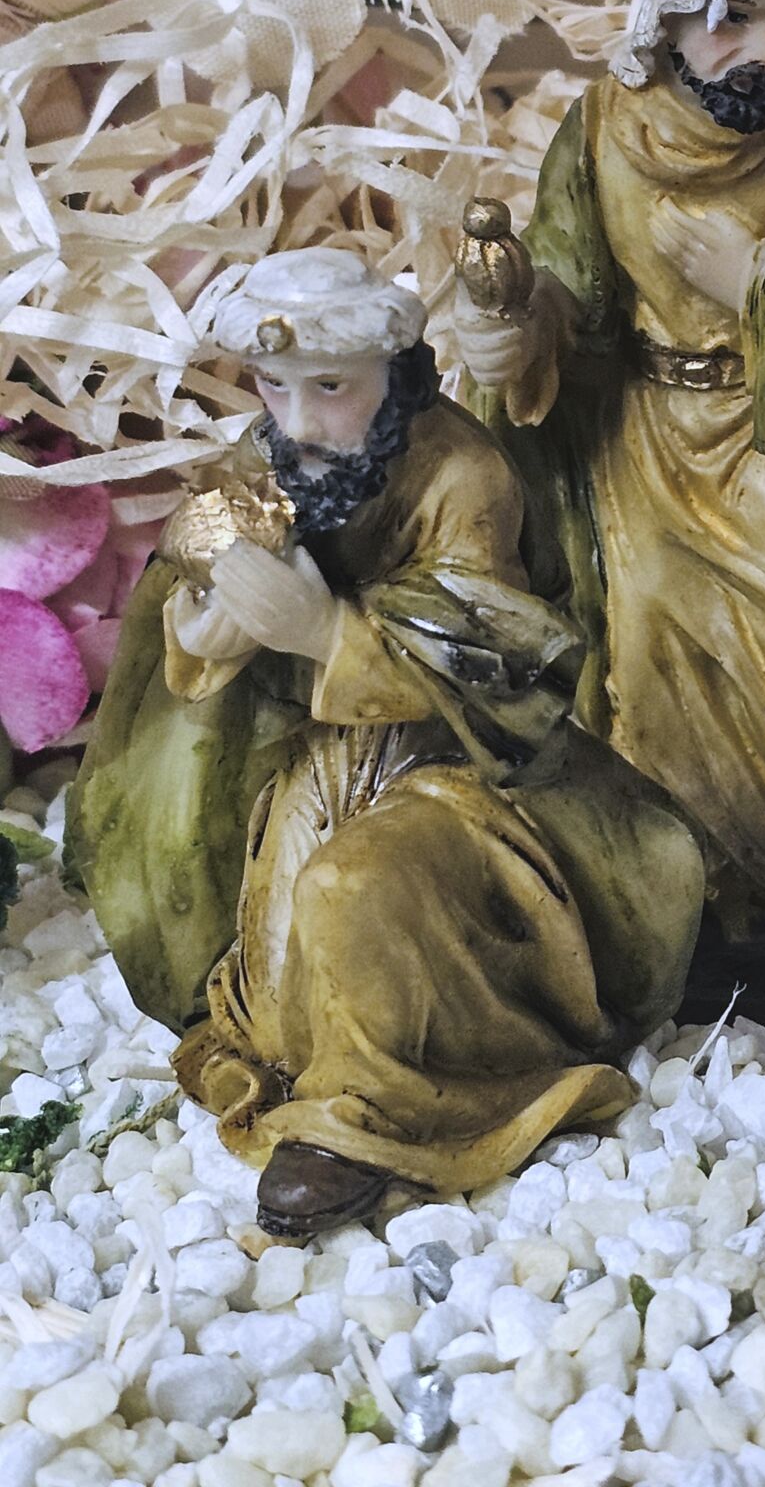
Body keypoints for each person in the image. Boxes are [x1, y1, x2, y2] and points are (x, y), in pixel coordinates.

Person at [69, 250, 703, 1236]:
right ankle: (327, 1068)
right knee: (279, 980)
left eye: (331, 388)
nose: (299, 420)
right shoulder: (269, 459)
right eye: (273, 386)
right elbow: (197, 562)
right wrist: (203, 630)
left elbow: (492, 666)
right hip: (323, 754)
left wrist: (324, 633)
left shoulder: (462, 477)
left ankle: (360, 1113)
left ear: (394, 373)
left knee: (348, 889)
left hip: (462, 774)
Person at [455, 0, 765, 1019]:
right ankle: (703, 905)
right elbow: (569, 283)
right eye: (733, 22)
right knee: (652, 656)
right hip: (647, 437)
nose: (760, 51)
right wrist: (514, 332)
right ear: (669, 25)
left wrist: (761, 273)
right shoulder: (602, 126)